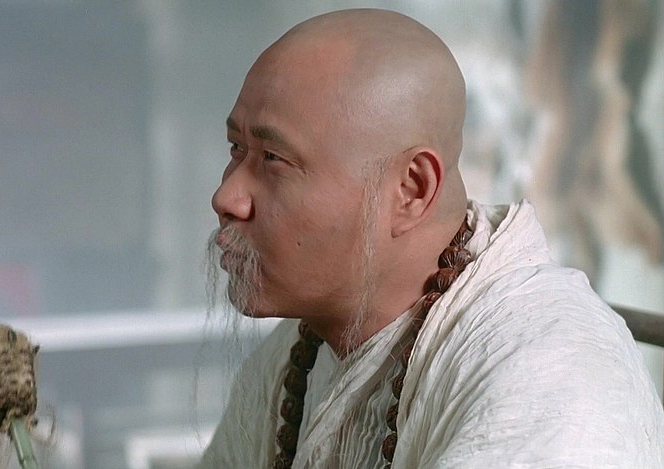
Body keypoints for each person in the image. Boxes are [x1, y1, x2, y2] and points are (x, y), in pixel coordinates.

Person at [200, 8, 664, 469]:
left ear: (411, 190)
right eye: (237, 148)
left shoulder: (550, 372)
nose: (226, 198)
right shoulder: (298, 350)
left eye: (274, 159)